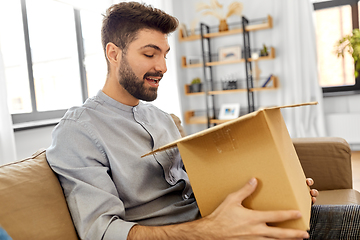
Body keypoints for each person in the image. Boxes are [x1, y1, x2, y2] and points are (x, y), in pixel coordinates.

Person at [47, 2, 319, 239]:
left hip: (225, 225)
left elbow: (203, 184)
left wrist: (279, 186)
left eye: (164, 55)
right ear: (114, 53)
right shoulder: (78, 131)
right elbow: (102, 232)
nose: (163, 66)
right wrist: (208, 232)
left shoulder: (162, 119)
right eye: (149, 54)